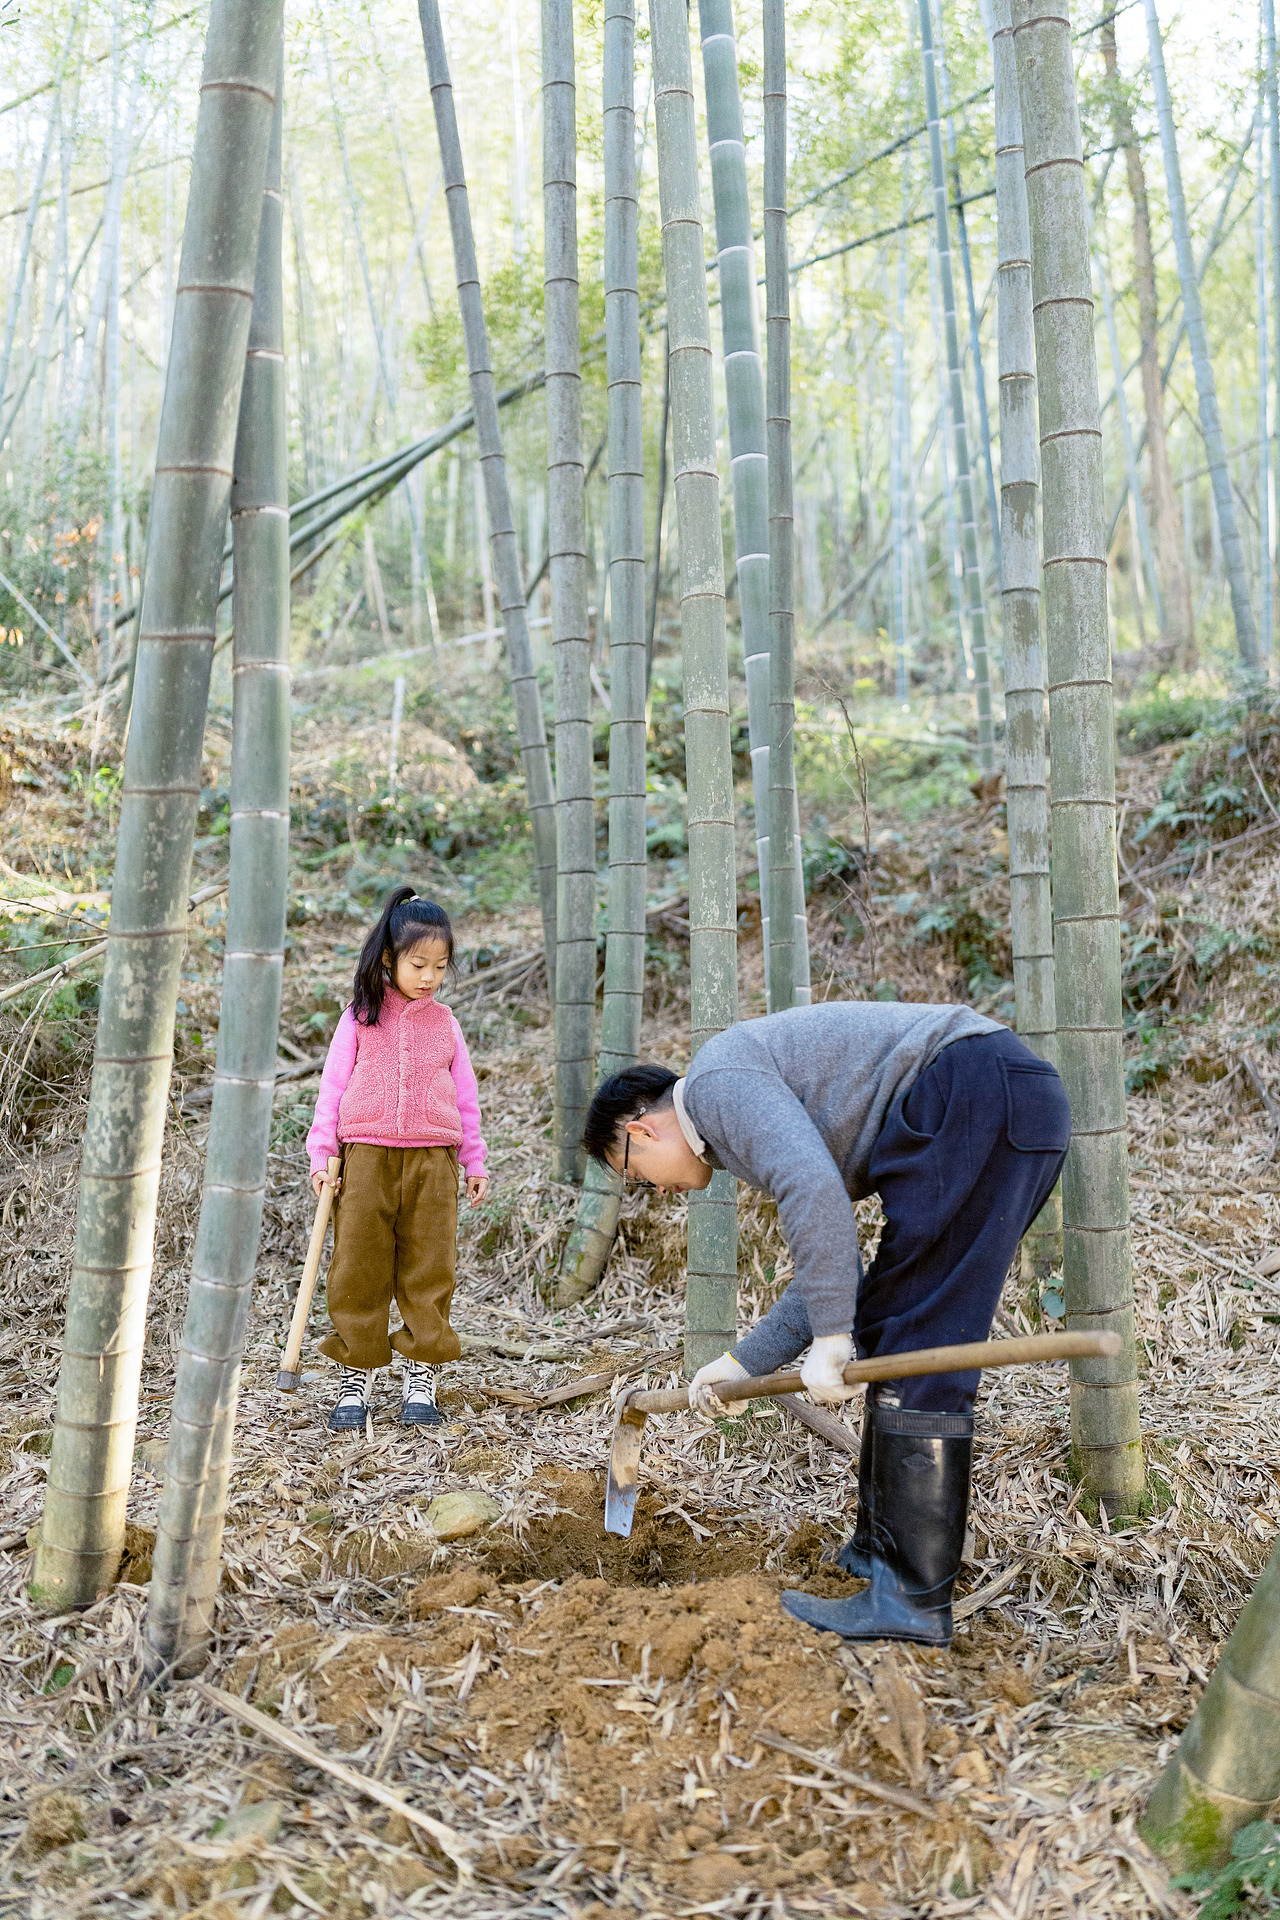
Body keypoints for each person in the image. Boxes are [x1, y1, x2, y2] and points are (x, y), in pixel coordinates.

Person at [582, 1002, 1069, 1648]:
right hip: (990, 1101)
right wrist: (744, 1362)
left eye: (635, 1178)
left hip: (973, 1092)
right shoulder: (731, 1110)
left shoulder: (714, 1085)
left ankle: (910, 1599)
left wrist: (835, 1338)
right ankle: (877, 1554)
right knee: (897, 1315)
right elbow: (831, 1251)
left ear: (640, 1134)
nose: (657, 1191)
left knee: (925, 1340)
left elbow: (812, 1190)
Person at [306, 887, 488, 1432]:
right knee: (358, 1266)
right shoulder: (360, 1017)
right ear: (389, 959)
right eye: (417, 964)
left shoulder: (445, 1022)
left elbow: (465, 1095)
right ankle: (356, 1372)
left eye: (440, 966)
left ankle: (420, 1372)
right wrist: (323, 1153)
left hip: (434, 1159)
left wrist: (473, 1161)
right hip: (366, 1158)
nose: (429, 976)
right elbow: (332, 1088)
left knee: (429, 1266)